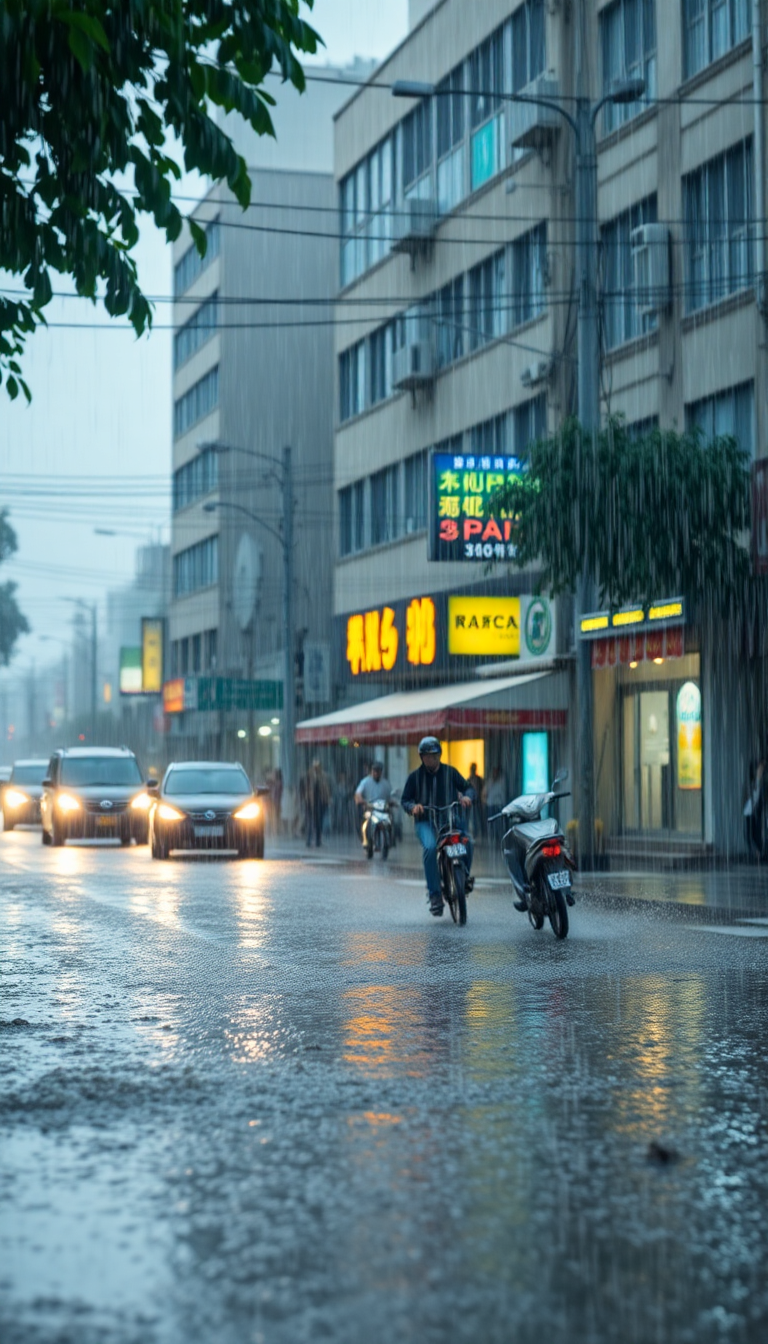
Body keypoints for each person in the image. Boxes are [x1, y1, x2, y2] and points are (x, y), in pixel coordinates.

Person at [401, 737, 475, 916]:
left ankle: (463, 876)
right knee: (430, 847)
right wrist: (413, 807)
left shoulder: (450, 772)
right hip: (425, 822)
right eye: (427, 756)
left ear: (440, 755)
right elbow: (405, 800)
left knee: (468, 842)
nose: (431, 759)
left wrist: (467, 797)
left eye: (434, 755)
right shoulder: (415, 777)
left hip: (449, 818)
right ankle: (434, 894)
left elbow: (468, 788)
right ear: (421, 757)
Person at [354, 760, 394, 850]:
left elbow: (390, 796)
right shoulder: (365, 782)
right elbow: (358, 793)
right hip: (370, 808)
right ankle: (365, 839)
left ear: (381, 772)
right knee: (363, 822)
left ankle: (390, 839)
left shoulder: (386, 784)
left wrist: (392, 802)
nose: (376, 773)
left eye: (378, 771)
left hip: (382, 808)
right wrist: (361, 800)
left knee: (391, 820)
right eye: (374, 771)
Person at [301, 759, 332, 848]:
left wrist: (328, 798)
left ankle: (318, 840)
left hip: (320, 802)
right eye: (315, 767)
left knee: (318, 822)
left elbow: (326, 788)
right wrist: (304, 798)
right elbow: (304, 788)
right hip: (310, 803)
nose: (316, 768)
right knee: (310, 822)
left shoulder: (323, 776)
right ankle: (309, 840)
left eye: (317, 767)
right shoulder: (308, 776)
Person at [743, 757, 766, 860]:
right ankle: (756, 853)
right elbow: (750, 797)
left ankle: (758, 852)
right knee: (750, 834)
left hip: (756, 812)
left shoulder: (761, 783)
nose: (761, 771)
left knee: (756, 833)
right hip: (750, 812)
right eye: (759, 769)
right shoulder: (752, 783)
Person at [467, 761, 485, 837]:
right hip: (471, 801)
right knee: (473, 818)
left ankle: (478, 833)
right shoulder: (469, 779)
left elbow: (482, 790)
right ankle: (475, 833)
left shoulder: (478, 779)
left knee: (477, 818)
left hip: (477, 801)